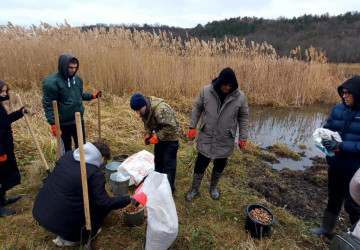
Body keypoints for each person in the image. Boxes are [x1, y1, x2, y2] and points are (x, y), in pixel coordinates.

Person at [32, 141, 136, 246]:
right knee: (99, 209)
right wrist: (128, 200)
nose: (102, 163)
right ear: (101, 157)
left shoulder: (67, 156)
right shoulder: (94, 173)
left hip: (41, 210)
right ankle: (73, 238)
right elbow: (104, 203)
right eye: (104, 160)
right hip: (63, 220)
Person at [186, 67, 249, 201]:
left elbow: (243, 117)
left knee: (220, 165)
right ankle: (194, 189)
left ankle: (213, 188)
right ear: (219, 82)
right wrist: (192, 127)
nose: (227, 87)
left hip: (225, 138)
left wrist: (243, 137)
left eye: (230, 85)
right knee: (200, 164)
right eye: (225, 84)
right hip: (207, 135)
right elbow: (197, 108)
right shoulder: (206, 91)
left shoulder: (240, 97)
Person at [309, 76, 360, 236]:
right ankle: (326, 228)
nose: (344, 96)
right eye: (343, 93)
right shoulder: (338, 109)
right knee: (334, 197)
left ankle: (356, 235)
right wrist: (324, 140)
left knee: (352, 204)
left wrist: (341, 146)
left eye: (347, 93)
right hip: (336, 163)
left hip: (355, 169)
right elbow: (328, 128)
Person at [42, 53, 102, 152]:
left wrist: (93, 96)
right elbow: (48, 104)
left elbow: (78, 95)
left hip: (78, 120)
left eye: (75, 67)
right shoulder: (52, 82)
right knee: (67, 149)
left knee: (81, 146)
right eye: (70, 67)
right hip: (63, 122)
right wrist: (53, 124)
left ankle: (81, 166)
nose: (73, 70)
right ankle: (68, 166)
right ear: (63, 66)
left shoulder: (77, 80)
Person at [130, 93, 180, 194]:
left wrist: (156, 137)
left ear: (144, 105)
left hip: (171, 138)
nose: (138, 113)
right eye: (136, 111)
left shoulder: (161, 109)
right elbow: (147, 124)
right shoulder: (144, 111)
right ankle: (159, 184)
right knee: (158, 161)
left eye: (139, 110)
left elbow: (172, 127)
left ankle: (169, 190)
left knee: (168, 164)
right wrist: (148, 134)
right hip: (161, 138)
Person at [0, 80, 28, 217]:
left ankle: (3, 199)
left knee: (6, 175)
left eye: (6, 91)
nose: (4, 94)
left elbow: (5, 121)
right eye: (1, 91)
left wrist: (19, 113)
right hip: (1, 150)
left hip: (6, 147)